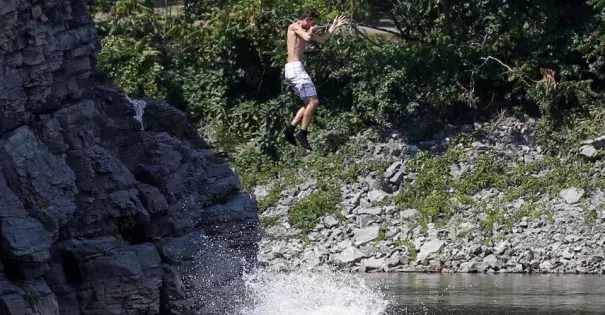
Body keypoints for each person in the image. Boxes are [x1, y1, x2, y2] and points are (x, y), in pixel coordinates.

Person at [282, 8, 348, 151]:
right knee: (314, 101)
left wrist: (333, 26)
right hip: (295, 68)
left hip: (294, 69)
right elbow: (307, 37)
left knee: (308, 104)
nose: (313, 25)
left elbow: (322, 40)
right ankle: (302, 133)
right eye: (312, 22)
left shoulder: (304, 30)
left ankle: (290, 129)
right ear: (307, 18)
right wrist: (311, 32)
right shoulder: (294, 26)